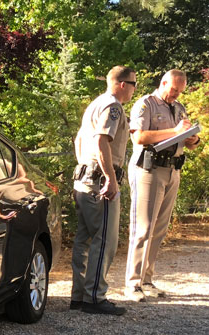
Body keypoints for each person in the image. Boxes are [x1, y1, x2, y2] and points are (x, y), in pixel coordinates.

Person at [124, 69, 202, 302]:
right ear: (164, 82)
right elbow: (138, 137)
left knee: (159, 229)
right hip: (149, 170)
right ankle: (132, 283)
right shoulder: (145, 104)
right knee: (143, 228)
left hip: (172, 170)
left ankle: (147, 280)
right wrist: (175, 131)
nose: (176, 94)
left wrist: (192, 138)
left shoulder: (178, 108)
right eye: (174, 89)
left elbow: (190, 144)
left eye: (180, 91)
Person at [70, 65, 137, 316]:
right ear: (122, 84)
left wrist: (84, 167)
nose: (134, 90)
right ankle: (94, 298)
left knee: (84, 240)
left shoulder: (95, 104)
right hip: (100, 184)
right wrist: (109, 177)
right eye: (134, 84)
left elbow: (79, 140)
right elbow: (101, 141)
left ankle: (79, 296)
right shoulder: (113, 107)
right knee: (104, 240)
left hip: (84, 180)